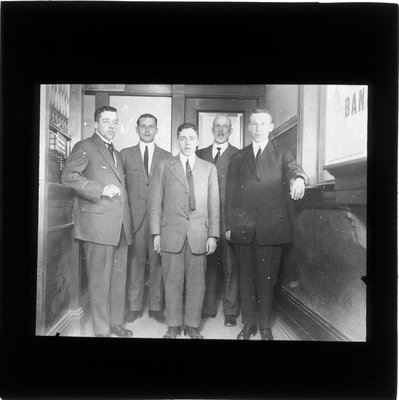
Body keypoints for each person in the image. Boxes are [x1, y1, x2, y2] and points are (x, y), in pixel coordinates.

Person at [225, 108, 309, 340]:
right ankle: (249, 324)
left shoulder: (283, 153)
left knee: (267, 281)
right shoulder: (237, 157)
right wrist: (229, 225)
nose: (258, 128)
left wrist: (299, 178)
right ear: (249, 127)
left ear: (271, 127)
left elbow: (294, 169)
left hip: (271, 230)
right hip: (243, 230)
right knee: (245, 280)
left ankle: (264, 326)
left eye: (263, 124)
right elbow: (230, 195)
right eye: (254, 124)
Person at [61, 105, 133, 337]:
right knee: (100, 281)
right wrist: (101, 189)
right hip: (98, 227)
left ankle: (116, 323)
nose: (111, 126)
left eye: (114, 122)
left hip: (120, 226)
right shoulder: (85, 146)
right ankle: (101, 330)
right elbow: (68, 176)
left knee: (118, 279)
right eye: (106, 121)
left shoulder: (116, 152)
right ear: (95, 124)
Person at [149, 123, 220, 339]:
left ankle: (191, 325)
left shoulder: (209, 168)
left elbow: (214, 203)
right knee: (172, 281)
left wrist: (213, 235)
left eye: (191, 138)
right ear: (177, 141)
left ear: (198, 140)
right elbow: (155, 202)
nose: (187, 142)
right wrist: (156, 234)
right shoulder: (164, 166)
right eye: (183, 138)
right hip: (171, 233)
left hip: (199, 233)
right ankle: (173, 324)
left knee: (197, 282)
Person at [120, 114, 171, 324]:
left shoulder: (167, 156)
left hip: (158, 219)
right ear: (137, 128)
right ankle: (134, 306)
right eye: (143, 126)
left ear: (157, 129)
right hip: (134, 217)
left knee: (158, 262)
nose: (147, 130)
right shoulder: (125, 154)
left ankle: (156, 307)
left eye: (151, 127)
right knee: (135, 262)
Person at [196, 115, 240, 327]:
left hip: (228, 220)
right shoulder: (199, 154)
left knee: (231, 267)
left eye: (225, 127)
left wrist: (234, 224)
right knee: (207, 264)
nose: (221, 130)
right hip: (204, 220)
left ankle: (230, 312)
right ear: (211, 129)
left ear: (230, 131)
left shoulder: (239, 156)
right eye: (217, 126)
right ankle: (208, 307)